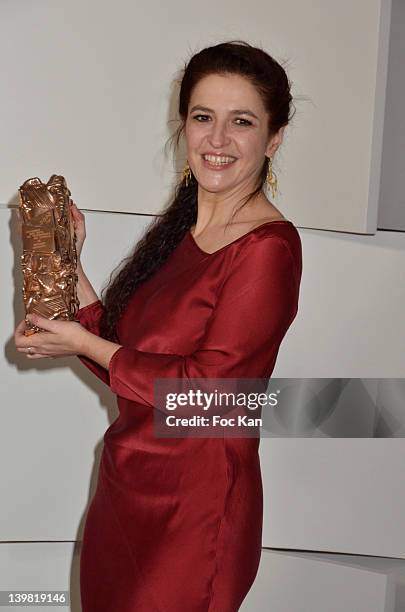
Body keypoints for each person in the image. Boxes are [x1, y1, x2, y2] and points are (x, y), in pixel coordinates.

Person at [14, 40, 303, 612]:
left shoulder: (269, 248)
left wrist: (82, 340)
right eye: (203, 117)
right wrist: (70, 266)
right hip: (126, 494)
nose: (216, 140)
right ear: (184, 126)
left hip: (195, 514)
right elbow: (131, 370)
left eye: (240, 122)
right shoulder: (179, 233)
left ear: (273, 138)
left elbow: (205, 392)